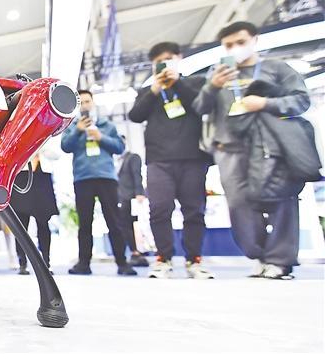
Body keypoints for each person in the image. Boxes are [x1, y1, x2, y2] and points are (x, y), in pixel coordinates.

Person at [192, 21, 310, 279]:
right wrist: (213, 86)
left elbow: (301, 100)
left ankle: (280, 260)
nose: (235, 48)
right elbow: (199, 108)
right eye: (228, 45)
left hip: (271, 145)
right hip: (228, 148)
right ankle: (259, 255)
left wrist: (265, 103)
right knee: (238, 204)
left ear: (254, 40)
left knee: (281, 199)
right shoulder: (216, 74)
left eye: (240, 42)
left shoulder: (276, 69)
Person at [128, 41, 214, 279]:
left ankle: (194, 259)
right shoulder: (148, 91)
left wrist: (178, 83)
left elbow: (202, 106)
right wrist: (155, 90)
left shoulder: (195, 83)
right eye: (158, 62)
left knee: (194, 211)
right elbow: (135, 116)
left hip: (193, 157)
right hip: (158, 160)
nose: (163, 64)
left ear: (179, 58)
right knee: (159, 209)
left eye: (167, 59)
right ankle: (163, 258)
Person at [61, 90, 136, 276]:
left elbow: (120, 147)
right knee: (85, 223)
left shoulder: (107, 126)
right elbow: (65, 146)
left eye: (87, 101)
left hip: (106, 178)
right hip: (82, 178)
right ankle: (83, 264)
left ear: (93, 103)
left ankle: (122, 263)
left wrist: (101, 137)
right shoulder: (72, 126)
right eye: (81, 103)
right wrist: (78, 130)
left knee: (114, 221)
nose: (85, 105)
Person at [9, 154, 58, 275]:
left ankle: (46, 262)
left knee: (43, 224)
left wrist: (39, 151)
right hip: (21, 175)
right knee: (20, 225)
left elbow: (56, 153)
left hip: (41, 177)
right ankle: (22, 262)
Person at [115, 137, 148, 268]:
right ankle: (134, 251)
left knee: (134, 226)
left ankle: (137, 251)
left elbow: (137, 175)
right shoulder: (116, 161)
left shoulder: (133, 157)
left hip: (132, 198)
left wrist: (139, 193)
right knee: (125, 226)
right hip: (121, 199)